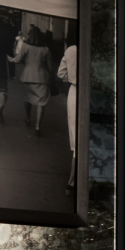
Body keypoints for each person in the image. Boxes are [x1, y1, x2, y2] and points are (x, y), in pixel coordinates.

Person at [9, 25, 52, 135]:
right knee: (41, 102)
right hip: (42, 78)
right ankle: (38, 125)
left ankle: (28, 118)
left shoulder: (25, 46)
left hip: (27, 77)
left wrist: (10, 59)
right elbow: (50, 67)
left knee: (28, 98)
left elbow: (17, 59)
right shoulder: (46, 49)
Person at [58, 40, 81, 188]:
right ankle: (73, 181)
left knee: (76, 134)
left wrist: (72, 79)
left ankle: (72, 181)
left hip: (75, 91)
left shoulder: (72, 49)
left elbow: (61, 73)